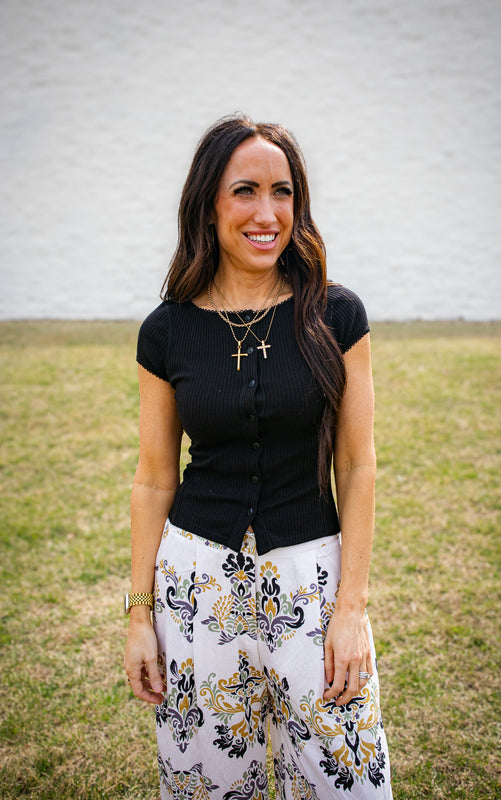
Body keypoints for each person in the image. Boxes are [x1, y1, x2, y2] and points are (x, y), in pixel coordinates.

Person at [124, 114, 393, 799]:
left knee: (347, 779)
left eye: (283, 192)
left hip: (312, 581)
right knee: (209, 786)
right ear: (208, 204)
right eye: (245, 190)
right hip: (195, 588)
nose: (267, 213)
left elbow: (356, 465)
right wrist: (139, 617)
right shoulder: (166, 331)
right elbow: (153, 479)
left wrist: (351, 609)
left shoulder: (336, 316)